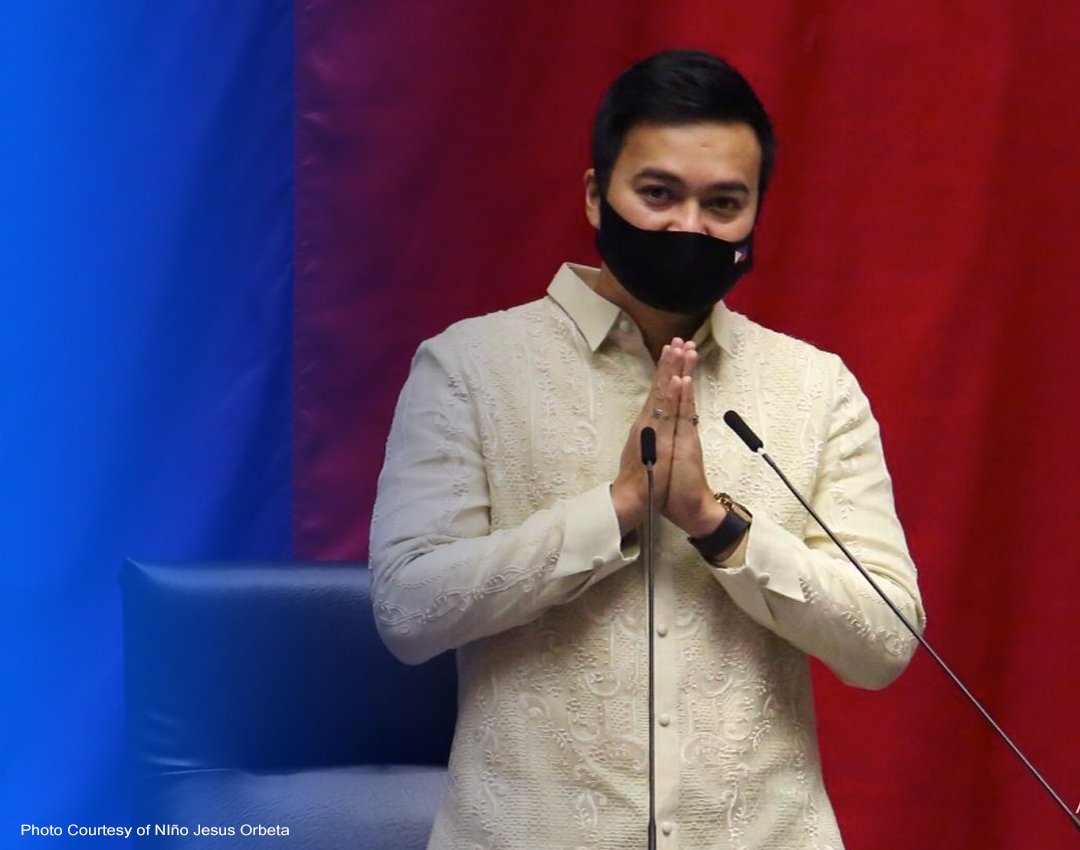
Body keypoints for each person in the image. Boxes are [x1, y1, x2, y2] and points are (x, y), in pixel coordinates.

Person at [369, 48, 925, 850]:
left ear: (755, 215)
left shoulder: (818, 386)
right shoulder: (470, 367)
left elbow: (886, 644)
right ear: (597, 195)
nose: (688, 227)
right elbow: (407, 611)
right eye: (658, 193)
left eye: (723, 203)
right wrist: (616, 509)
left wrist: (715, 524)